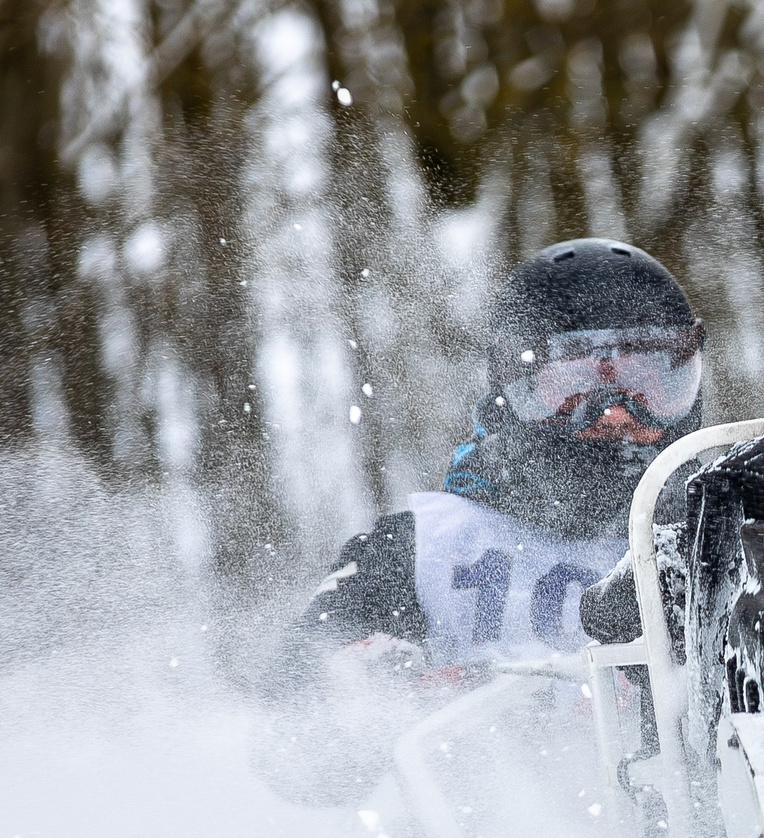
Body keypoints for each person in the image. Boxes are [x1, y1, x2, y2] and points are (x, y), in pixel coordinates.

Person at [256, 239, 705, 804]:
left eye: (647, 380)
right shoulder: (423, 550)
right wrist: (367, 700)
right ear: (514, 387)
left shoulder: (715, 537)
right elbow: (285, 751)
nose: (614, 414)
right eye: (574, 387)